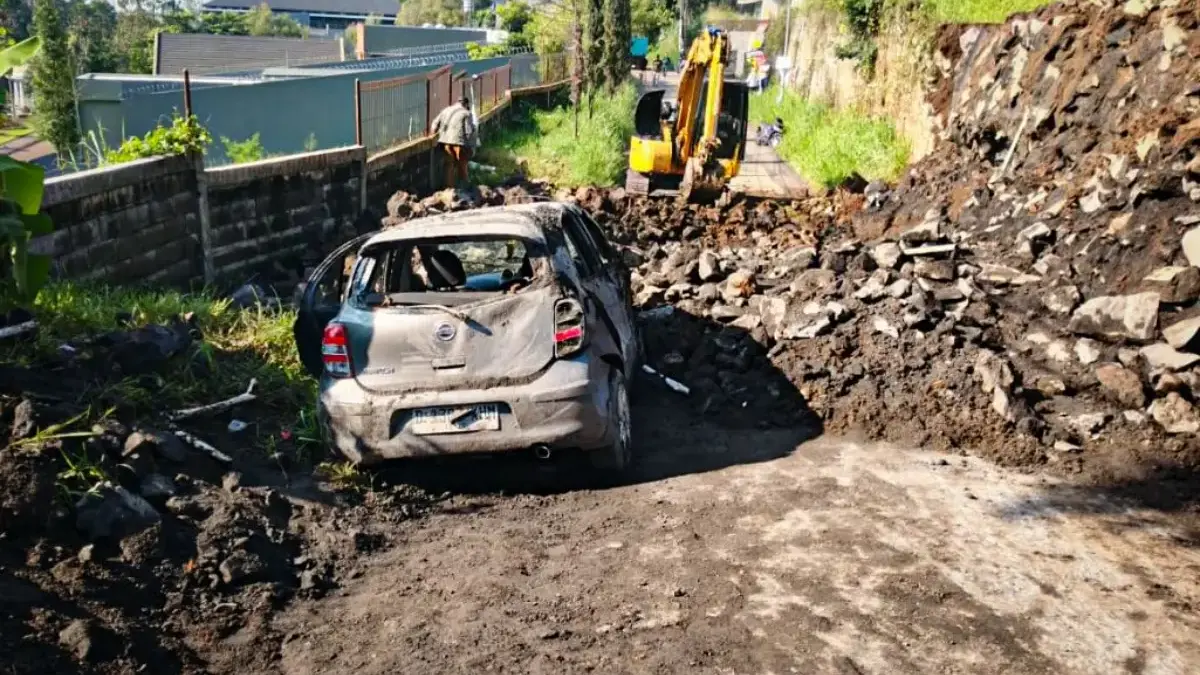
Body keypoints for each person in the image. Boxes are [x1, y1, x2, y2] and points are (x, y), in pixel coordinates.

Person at [430, 96, 477, 189]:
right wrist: (470, 146)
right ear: (466, 104)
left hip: (444, 142)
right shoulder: (466, 113)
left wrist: (433, 135)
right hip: (459, 143)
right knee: (462, 165)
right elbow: (468, 131)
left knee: (449, 165)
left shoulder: (446, 110)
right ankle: (465, 188)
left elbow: (434, 124)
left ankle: (449, 189)